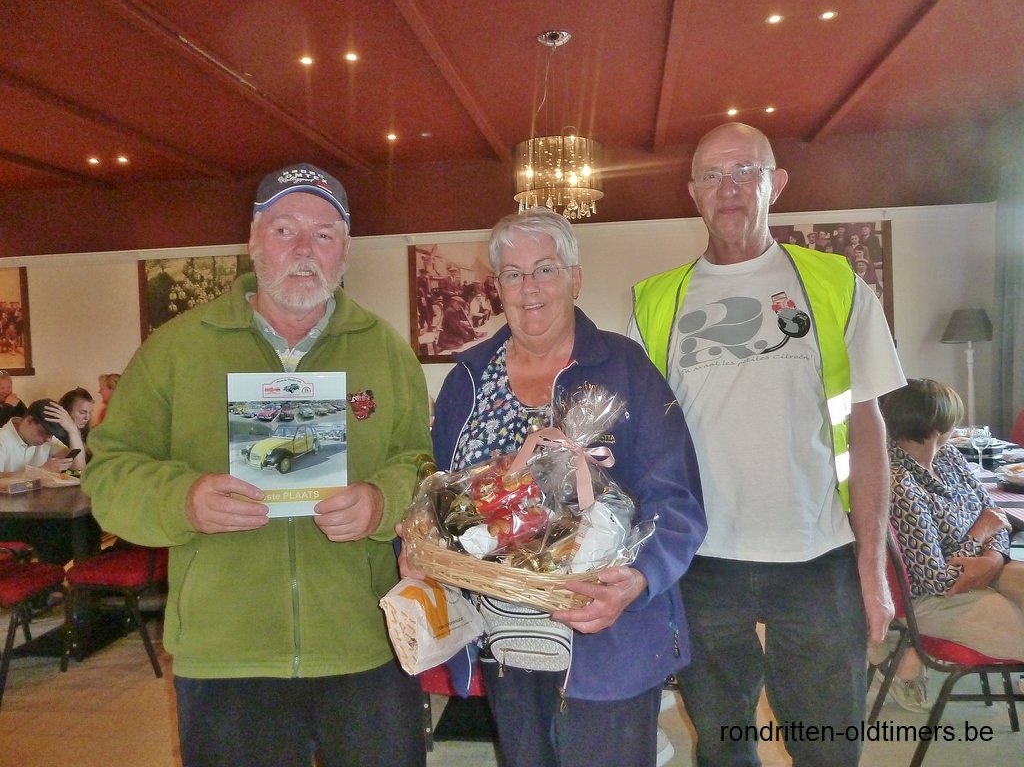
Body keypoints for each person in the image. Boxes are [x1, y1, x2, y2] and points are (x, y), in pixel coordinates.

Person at [82, 163, 432, 767]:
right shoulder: (175, 350)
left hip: (364, 645)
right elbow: (108, 475)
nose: (304, 250)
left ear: (345, 250)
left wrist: (381, 502)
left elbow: (422, 466)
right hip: (226, 657)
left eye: (324, 234)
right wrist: (183, 500)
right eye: (284, 229)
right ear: (252, 241)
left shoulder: (386, 350)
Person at [629, 122, 906, 766]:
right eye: (712, 175)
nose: (728, 188)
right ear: (693, 192)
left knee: (829, 749)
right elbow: (641, 441)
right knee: (722, 748)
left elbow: (868, 428)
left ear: (776, 184)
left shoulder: (836, 284)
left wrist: (872, 569)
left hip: (818, 556)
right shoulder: (652, 302)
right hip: (700, 560)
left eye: (745, 172)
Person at [418, 208, 706, 767]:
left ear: (576, 278)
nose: (530, 288)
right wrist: (419, 547)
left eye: (545, 269)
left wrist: (639, 579)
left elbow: (678, 498)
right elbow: (438, 496)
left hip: (606, 636)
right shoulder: (467, 379)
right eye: (513, 273)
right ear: (497, 287)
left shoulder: (625, 368)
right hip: (503, 643)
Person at [881, 378, 1024, 711]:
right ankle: (897, 654)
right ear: (937, 429)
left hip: (982, 572)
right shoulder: (899, 483)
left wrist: (994, 557)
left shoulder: (948, 457)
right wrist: (979, 537)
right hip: (936, 599)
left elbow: (993, 514)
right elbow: (937, 581)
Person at [0, 398, 92, 563]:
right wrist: (39, 471)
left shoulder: (46, 439)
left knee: (85, 526)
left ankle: (80, 575)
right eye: (44, 433)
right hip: (9, 517)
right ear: (29, 421)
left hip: (35, 511)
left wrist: (72, 431)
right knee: (60, 534)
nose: (46, 439)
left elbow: (79, 470)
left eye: (51, 435)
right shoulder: (3, 439)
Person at [59, 387, 95, 452]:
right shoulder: (57, 437)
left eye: (90, 412)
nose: (87, 418)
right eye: (82, 412)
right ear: (67, 411)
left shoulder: (88, 434)